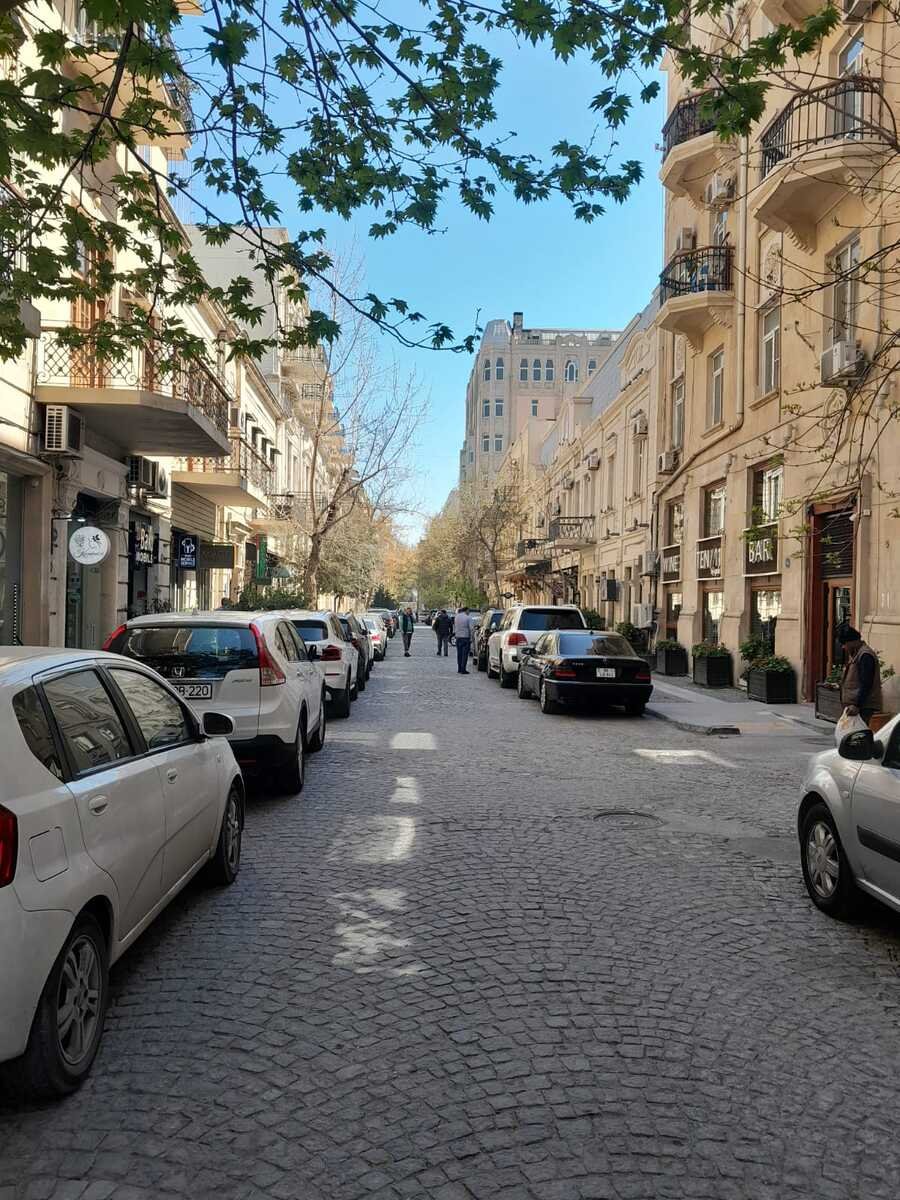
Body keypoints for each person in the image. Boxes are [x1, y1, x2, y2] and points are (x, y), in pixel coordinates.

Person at [838, 624, 882, 726]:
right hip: (855, 706)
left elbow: (866, 683)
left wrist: (857, 705)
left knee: (858, 733)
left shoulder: (865, 655)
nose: (843, 647)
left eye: (844, 644)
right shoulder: (856, 653)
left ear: (851, 642)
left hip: (862, 707)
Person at [453, 607, 475, 674]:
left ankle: (459, 668)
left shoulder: (456, 617)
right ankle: (463, 669)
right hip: (465, 637)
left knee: (459, 654)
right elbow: (471, 629)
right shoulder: (468, 618)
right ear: (466, 610)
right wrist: (472, 638)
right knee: (465, 654)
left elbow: (455, 626)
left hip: (458, 637)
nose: (469, 612)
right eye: (469, 611)